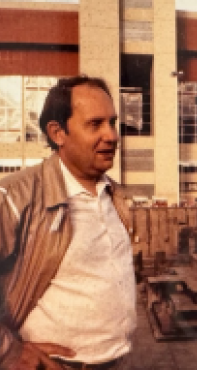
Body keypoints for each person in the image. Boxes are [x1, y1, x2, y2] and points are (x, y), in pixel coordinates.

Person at [0, 76, 137, 369]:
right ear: (58, 132)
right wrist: (7, 350)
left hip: (119, 361)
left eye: (112, 123)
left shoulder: (115, 196)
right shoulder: (16, 196)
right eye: (95, 124)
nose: (111, 135)